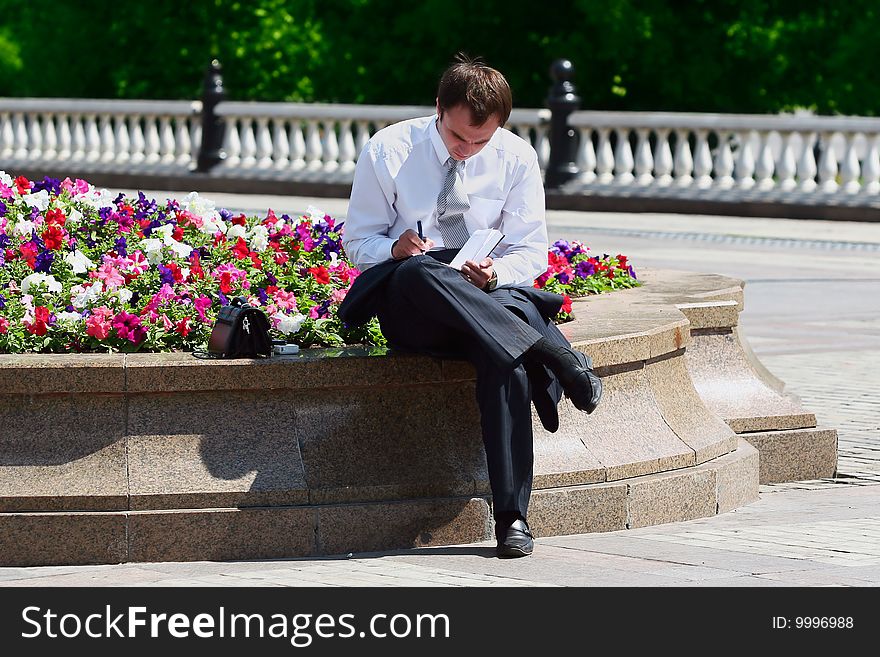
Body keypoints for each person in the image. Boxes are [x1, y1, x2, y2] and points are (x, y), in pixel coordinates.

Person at [339, 53, 602, 558]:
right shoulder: (389, 149)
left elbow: (530, 250)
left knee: (506, 363)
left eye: (481, 142)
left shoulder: (516, 157)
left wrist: (497, 272)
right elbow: (359, 243)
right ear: (438, 108)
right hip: (413, 297)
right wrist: (392, 249)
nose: (467, 151)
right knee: (420, 271)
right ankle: (555, 352)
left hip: (484, 292)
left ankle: (513, 519)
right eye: (458, 138)